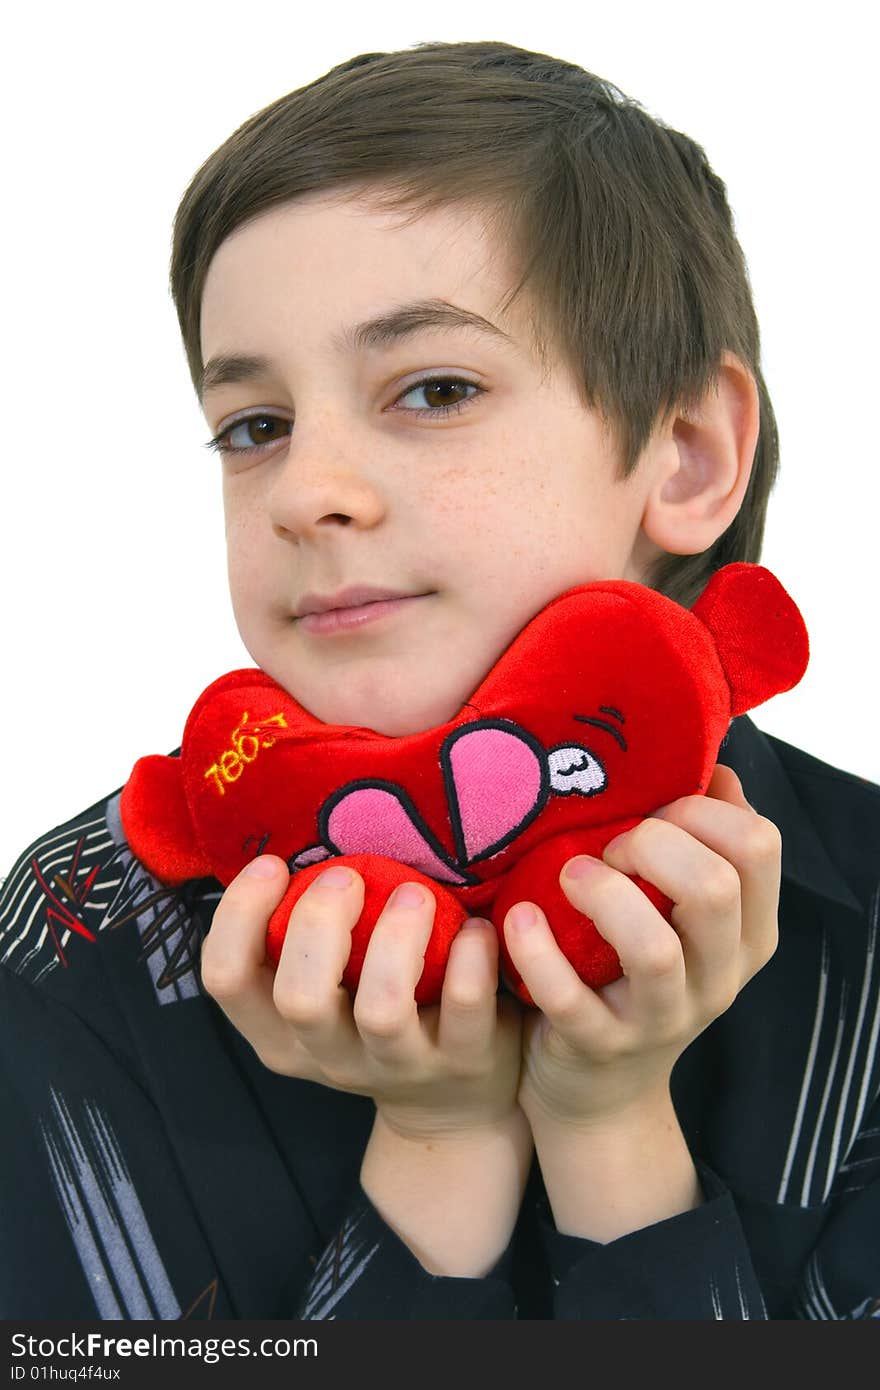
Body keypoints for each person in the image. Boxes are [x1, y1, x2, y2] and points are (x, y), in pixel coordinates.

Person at [1, 39, 878, 1322]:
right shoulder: (84, 928)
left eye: (434, 388)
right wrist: (437, 1147)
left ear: (686, 456)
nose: (306, 490)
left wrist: (614, 1133)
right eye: (256, 425)